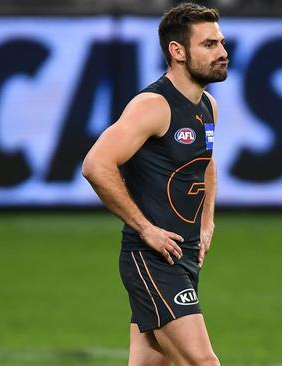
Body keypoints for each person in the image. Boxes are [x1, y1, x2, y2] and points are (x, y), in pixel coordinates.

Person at [82, 2, 227, 365]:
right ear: (177, 52)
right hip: (153, 258)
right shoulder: (153, 105)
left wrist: (207, 223)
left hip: (183, 256)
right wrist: (145, 228)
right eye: (209, 45)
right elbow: (96, 164)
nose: (223, 52)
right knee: (202, 362)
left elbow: (205, 164)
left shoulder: (207, 105)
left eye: (221, 43)